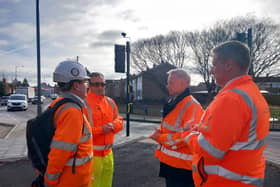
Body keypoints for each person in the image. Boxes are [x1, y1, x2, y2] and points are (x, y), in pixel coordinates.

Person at [171, 41, 270, 187]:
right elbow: (233, 136)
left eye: (214, 64)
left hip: (225, 182)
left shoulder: (231, 99)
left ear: (228, 65)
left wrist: (189, 135)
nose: (211, 71)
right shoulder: (251, 92)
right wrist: (200, 129)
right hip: (245, 178)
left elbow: (209, 152)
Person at [149, 68, 204, 187]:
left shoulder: (192, 106)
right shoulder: (175, 102)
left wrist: (160, 137)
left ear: (183, 84)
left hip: (183, 170)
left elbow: (188, 137)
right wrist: (161, 133)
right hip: (172, 166)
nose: (167, 86)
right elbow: (176, 129)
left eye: (171, 83)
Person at [44, 60, 93, 187]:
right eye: (85, 82)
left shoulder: (59, 103)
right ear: (76, 85)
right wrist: (50, 181)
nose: (87, 86)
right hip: (71, 181)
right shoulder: (72, 112)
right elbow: (60, 151)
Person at [85, 72, 123, 187]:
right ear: (89, 86)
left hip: (108, 154)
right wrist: (101, 130)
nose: (100, 87)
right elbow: (81, 133)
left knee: (107, 184)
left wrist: (113, 126)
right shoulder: (84, 104)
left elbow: (119, 120)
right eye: (96, 84)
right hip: (91, 156)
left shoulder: (110, 102)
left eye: (102, 84)